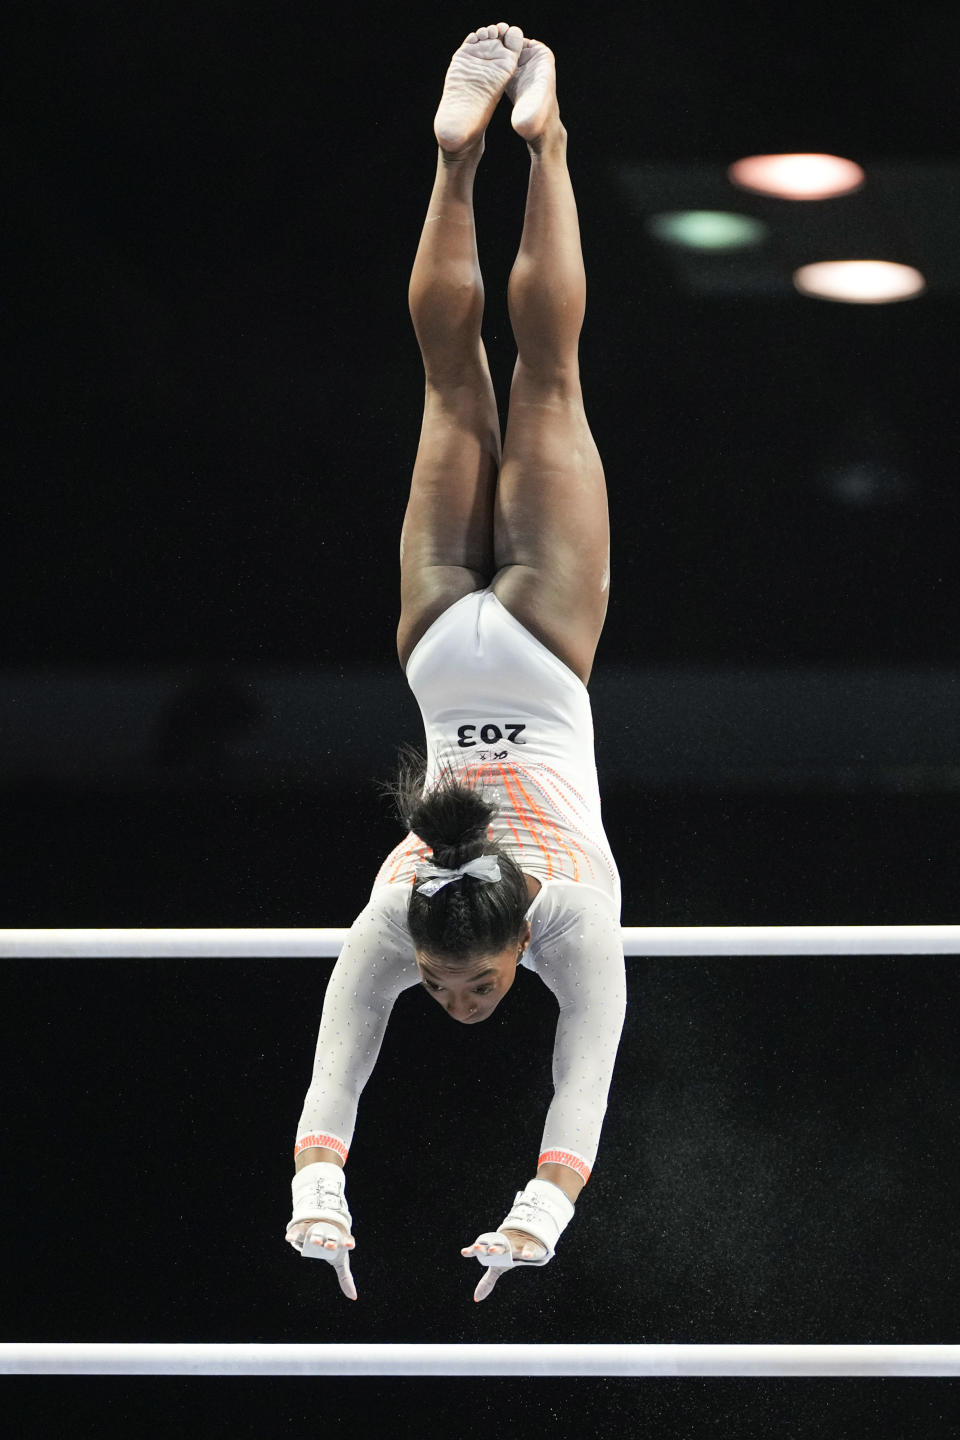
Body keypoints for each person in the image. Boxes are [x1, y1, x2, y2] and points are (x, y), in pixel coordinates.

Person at [285, 22, 626, 1303]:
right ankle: (501, 148)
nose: (456, 995)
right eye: (463, 984)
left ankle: (501, 151)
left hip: (517, 649)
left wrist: (321, 1179)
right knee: (507, 381)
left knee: (522, 381)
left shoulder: (420, 910)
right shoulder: (549, 919)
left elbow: (341, 1060)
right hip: (452, 651)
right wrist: (544, 1204)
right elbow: (578, 1070)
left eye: (451, 981)